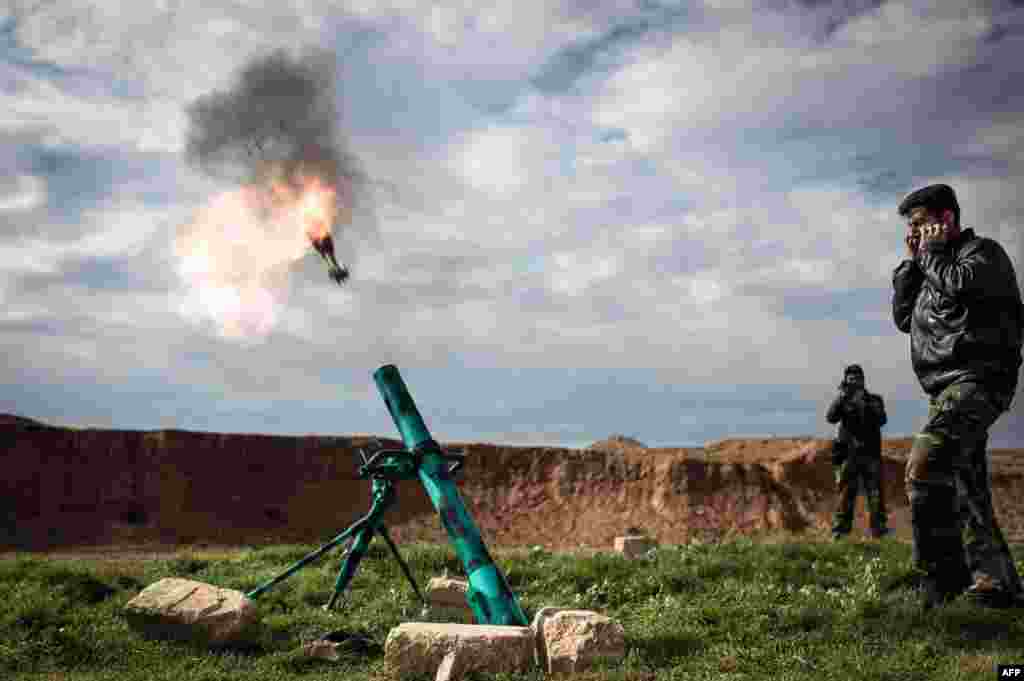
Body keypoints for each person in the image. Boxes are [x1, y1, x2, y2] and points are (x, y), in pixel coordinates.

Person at [892, 183, 1024, 609]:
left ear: (946, 219)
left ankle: (940, 587)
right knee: (967, 485)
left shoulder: (982, 255)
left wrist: (930, 257)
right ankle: (997, 583)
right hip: (946, 386)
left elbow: (961, 287)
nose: (915, 233)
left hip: (978, 379)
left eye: (920, 223)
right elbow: (902, 317)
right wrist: (913, 264)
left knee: (926, 464)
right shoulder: (931, 266)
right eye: (910, 228)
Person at [826, 364, 890, 540]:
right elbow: (830, 417)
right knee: (846, 494)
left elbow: (882, 419)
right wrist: (842, 397)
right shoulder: (843, 399)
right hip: (849, 455)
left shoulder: (874, 400)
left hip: (870, 455)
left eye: (857, 378)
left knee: (875, 495)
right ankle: (840, 532)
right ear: (846, 380)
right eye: (851, 379)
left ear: (863, 380)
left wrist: (864, 402)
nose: (854, 382)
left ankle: (880, 532)